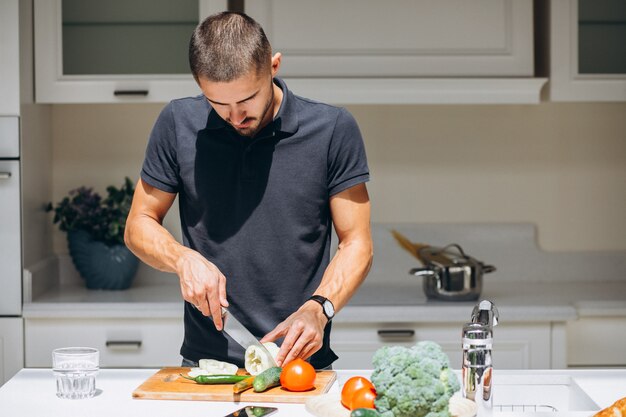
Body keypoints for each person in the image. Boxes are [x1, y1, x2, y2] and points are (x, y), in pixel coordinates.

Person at [125, 11, 372, 370]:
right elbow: (138, 224)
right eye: (218, 104)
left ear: (274, 66)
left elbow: (358, 244)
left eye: (247, 100)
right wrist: (182, 259)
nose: (235, 116)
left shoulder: (333, 130)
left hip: (300, 367)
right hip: (206, 366)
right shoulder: (178, 123)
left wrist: (320, 308)